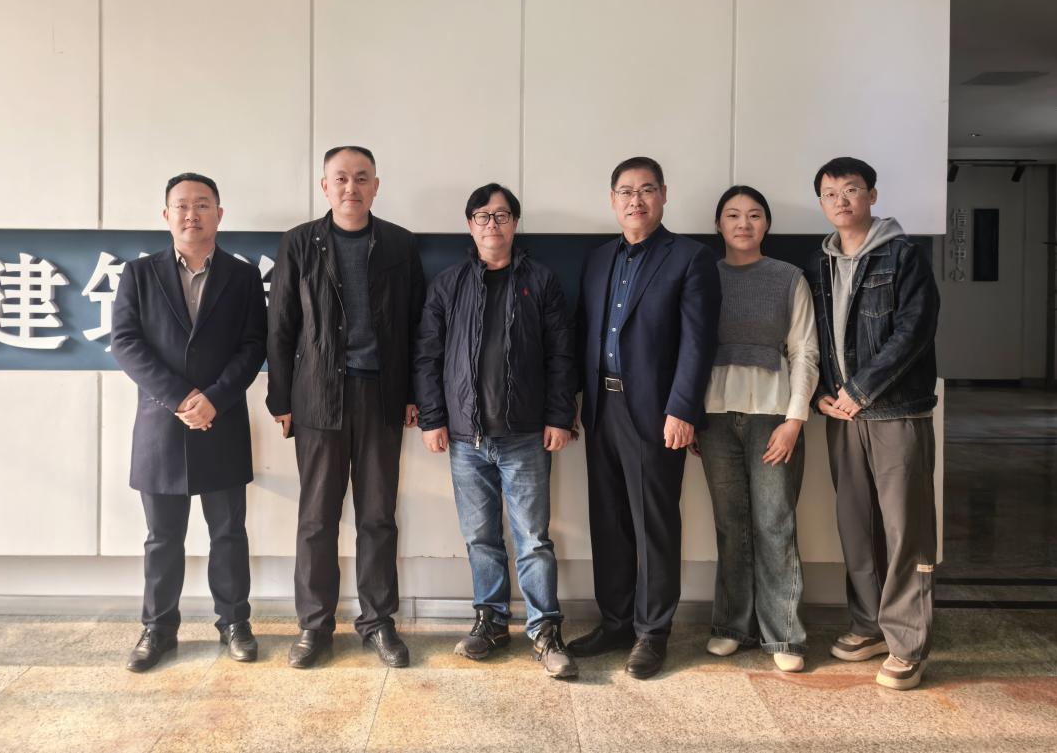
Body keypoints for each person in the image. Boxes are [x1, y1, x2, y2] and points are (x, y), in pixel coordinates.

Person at [266, 146, 425, 669]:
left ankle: (378, 622)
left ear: (376, 186)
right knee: (317, 518)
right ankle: (315, 626)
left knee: (378, 516)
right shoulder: (299, 242)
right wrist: (280, 398)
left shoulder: (400, 243)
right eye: (341, 178)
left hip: (381, 396)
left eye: (361, 178)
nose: (351, 188)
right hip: (317, 398)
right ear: (325, 186)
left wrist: (414, 394)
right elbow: (281, 324)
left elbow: (417, 325)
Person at [414, 183, 578, 679]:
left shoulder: (541, 281)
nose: (492, 224)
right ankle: (490, 622)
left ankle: (545, 630)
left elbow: (561, 355)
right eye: (483, 216)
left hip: (525, 435)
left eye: (502, 215)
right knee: (480, 537)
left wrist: (560, 416)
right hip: (466, 438)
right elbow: (427, 355)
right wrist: (432, 418)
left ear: (515, 224)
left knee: (533, 540)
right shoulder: (448, 284)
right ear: (470, 226)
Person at [569, 156, 722, 679]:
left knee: (653, 523)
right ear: (612, 200)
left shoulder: (690, 258)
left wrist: (683, 409)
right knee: (608, 519)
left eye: (647, 189)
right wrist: (573, 401)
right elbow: (583, 332)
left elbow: (699, 343)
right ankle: (615, 622)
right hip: (601, 406)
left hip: (657, 413)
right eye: (626, 191)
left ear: (663, 195)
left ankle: (652, 632)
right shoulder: (597, 260)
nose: (636, 200)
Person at [111, 172, 267, 673]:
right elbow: (126, 343)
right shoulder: (139, 273)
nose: (191, 214)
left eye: (202, 205)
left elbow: (253, 347)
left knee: (229, 533)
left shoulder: (242, 276)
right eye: (181, 205)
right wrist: (181, 397)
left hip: (221, 420)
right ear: (166, 215)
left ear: (219, 214)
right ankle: (158, 628)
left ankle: (235, 622)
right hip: (161, 424)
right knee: (162, 537)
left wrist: (214, 399)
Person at [808, 156, 940, 691]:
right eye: (830, 193)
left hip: (896, 411)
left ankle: (908, 644)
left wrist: (859, 391)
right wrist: (823, 394)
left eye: (851, 190)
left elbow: (914, 332)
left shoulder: (904, 256)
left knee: (906, 529)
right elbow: (816, 337)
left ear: (872, 196)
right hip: (841, 415)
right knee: (855, 526)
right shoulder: (820, 263)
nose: (841, 200)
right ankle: (868, 625)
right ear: (821, 202)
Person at [693, 185, 818, 673]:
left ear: (766, 223)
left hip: (774, 416)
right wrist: (691, 414)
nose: (743, 224)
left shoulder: (788, 278)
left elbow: (804, 351)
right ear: (718, 224)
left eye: (754, 215)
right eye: (732, 215)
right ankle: (731, 627)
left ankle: (784, 635)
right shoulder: (702, 276)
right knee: (730, 524)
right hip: (714, 417)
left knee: (774, 523)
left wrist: (794, 419)